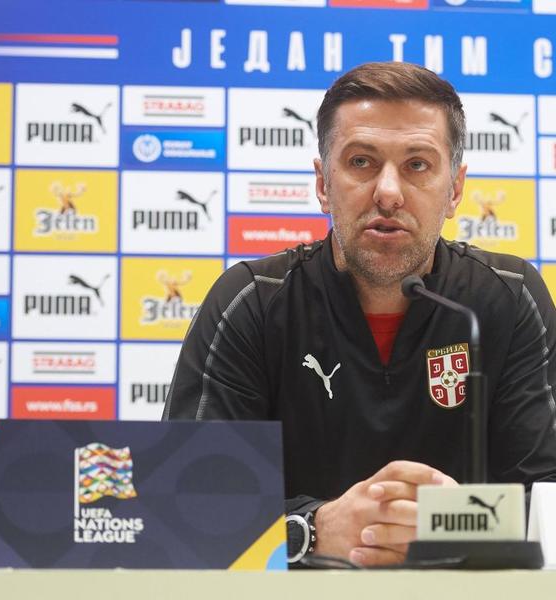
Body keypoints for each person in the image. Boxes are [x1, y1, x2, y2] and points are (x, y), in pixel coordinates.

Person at [164, 62, 556, 567]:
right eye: (362, 161)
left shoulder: (508, 299)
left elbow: (547, 499)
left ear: (455, 190)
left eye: (417, 165)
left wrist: (449, 520)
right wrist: (313, 529)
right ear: (323, 183)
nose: (388, 192)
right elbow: (188, 501)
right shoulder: (252, 302)